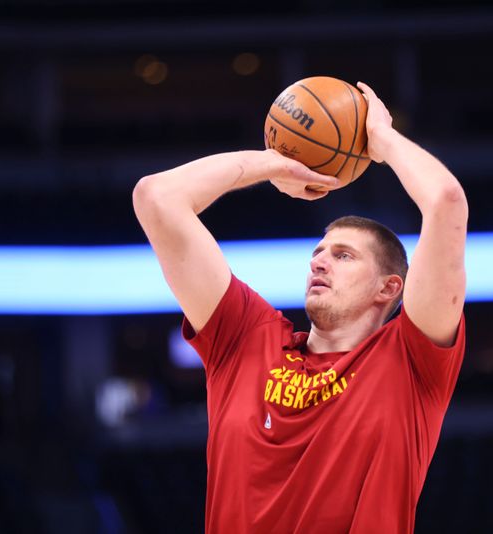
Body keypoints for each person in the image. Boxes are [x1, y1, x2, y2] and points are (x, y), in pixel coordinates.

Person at [132, 82, 468, 533]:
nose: (320, 261)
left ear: (389, 288)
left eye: (343, 255)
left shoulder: (410, 361)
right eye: (318, 253)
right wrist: (270, 162)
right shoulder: (246, 337)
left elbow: (445, 203)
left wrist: (383, 139)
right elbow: (156, 197)